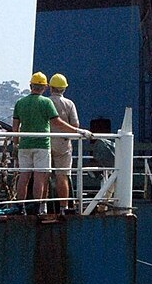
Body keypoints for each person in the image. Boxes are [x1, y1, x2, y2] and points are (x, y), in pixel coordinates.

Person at [12, 72, 93, 215]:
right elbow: (59, 122)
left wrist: (16, 143)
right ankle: (61, 208)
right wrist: (78, 131)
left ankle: (24, 207)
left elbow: (15, 127)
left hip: (25, 144)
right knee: (51, 175)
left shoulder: (20, 102)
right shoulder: (51, 103)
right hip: (47, 144)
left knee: (25, 175)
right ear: (44, 87)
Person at [47, 73, 81, 212]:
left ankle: (42, 206)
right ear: (64, 89)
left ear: (50, 87)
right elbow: (75, 124)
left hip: (45, 141)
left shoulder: (46, 102)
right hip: (63, 142)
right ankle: (64, 207)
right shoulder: (69, 104)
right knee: (62, 175)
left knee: (43, 175)